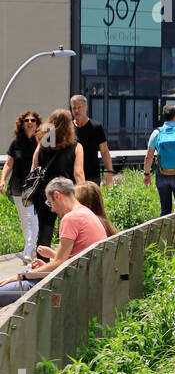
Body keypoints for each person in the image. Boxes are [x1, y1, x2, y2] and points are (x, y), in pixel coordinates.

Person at [0, 177, 108, 306]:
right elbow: (65, 260)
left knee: (5, 291)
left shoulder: (71, 218)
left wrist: (22, 275)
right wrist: (45, 266)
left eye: (50, 203)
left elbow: (58, 264)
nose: (52, 209)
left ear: (57, 195)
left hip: (67, 283)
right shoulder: (86, 213)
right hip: (84, 277)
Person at [29, 109, 85, 249]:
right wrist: (83, 195)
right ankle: (64, 264)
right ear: (68, 126)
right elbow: (78, 174)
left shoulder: (42, 145)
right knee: (68, 232)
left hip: (44, 195)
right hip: (66, 195)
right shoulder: (76, 147)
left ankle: (41, 267)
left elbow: (33, 170)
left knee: (44, 232)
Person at [2, 110, 41, 263]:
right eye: (26, 120)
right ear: (22, 124)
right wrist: (2, 179)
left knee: (32, 218)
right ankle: (31, 250)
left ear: (37, 123)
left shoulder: (41, 141)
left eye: (33, 120)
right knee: (25, 220)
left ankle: (27, 251)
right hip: (18, 185)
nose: (30, 122)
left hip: (35, 185)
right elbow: (8, 163)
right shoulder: (16, 143)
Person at [70, 95, 113, 188]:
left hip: (92, 176)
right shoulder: (68, 128)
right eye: (74, 108)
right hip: (72, 176)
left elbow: (104, 151)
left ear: (86, 107)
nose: (76, 111)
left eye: (79, 107)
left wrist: (109, 171)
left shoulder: (96, 127)